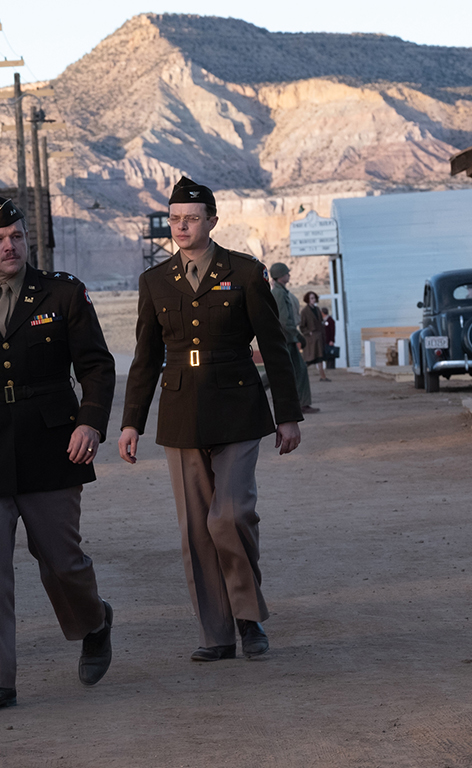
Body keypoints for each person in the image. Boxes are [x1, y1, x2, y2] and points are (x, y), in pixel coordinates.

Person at [0, 196, 116, 715]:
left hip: (53, 444)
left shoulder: (63, 293)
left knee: (61, 560)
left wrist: (90, 421)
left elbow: (98, 367)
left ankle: (95, 620)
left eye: (16, 236)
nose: (9, 246)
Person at [117, 177, 304, 662]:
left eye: (192, 218)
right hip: (181, 412)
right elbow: (145, 355)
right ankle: (217, 633)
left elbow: (275, 346)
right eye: (175, 218)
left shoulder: (245, 271)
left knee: (231, 515)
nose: (182, 226)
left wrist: (288, 416)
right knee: (195, 528)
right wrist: (131, 421)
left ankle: (248, 617)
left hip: (239, 407)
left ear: (212, 221)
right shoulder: (155, 280)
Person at [270, 262, 317, 413]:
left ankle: (302, 403)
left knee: (289, 370)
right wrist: (297, 335)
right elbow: (284, 321)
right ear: (280, 276)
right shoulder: (278, 294)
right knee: (294, 370)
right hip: (286, 339)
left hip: (286, 338)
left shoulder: (282, 292)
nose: (289, 275)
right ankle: (303, 404)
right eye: (286, 273)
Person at [300, 292, 329, 382]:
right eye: (311, 298)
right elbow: (302, 326)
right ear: (307, 300)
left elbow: (320, 323)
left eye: (314, 298)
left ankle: (323, 376)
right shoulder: (304, 311)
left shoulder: (317, 309)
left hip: (319, 337)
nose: (313, 300)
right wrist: (308, 332)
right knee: (309, 359)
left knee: (319, 358)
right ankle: (300, 376)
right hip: (311, 339)